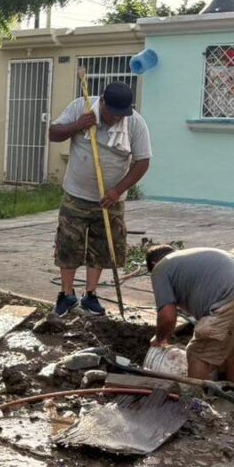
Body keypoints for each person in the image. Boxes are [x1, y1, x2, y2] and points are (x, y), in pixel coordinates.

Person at [48, 81, 151, 317]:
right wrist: (78, 125)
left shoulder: (134, 123)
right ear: (102, 102)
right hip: (76, 194)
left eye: (120, 114)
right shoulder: (81, 107)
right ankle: (66, 294)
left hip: (110, 199)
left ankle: (90, 295)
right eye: (111, 113)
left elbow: (143, 161)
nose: (115, 118)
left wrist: (117, 191)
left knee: (102, 248)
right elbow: (53, 134)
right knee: (68, 246)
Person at [145, 245, 234, 383]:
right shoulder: (193, 257)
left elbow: (167, 317)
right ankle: (233, 397)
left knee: (197, 354)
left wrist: (160, 338)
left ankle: (198, 401)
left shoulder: (160, 268)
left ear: (154, 264)